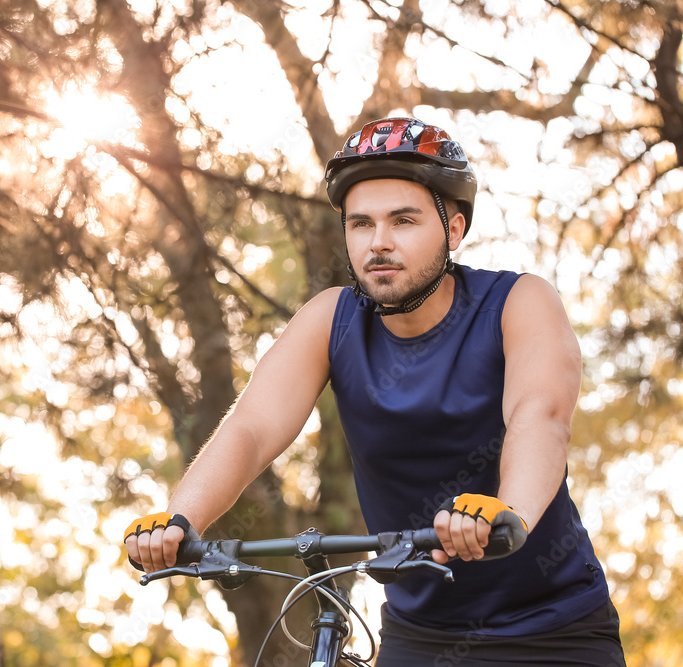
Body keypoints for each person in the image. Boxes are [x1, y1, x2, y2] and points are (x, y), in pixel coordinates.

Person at [124, 117, 626, 665]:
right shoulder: (331, 321)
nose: (379, 243)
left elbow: (541, 417)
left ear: (453, 230)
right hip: (420, 636)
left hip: (557, 631)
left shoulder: (515, 303)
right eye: (361, 223)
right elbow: (250, 426)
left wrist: (509, 512)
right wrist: (180, 519)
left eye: (403, 221)